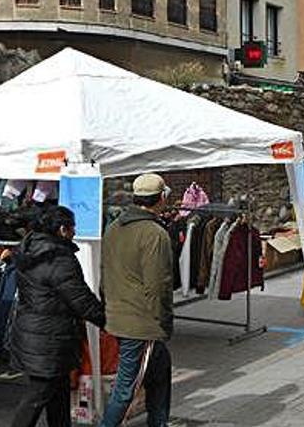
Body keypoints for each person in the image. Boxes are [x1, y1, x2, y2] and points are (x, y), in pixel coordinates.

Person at [10, 206, 106, 427]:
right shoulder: (58, 258)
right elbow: (80, 299)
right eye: (73, 228)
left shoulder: (31, 248)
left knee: (58, 394)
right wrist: (106, 321)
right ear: (63, 229)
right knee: (39, 394)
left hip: (38, 331)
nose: (74, 232)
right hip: (49, 337)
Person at [101, 174, 175, 427]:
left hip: (120, 315)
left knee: (160, 372)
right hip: (141, 323)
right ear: (161, 198)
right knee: (126, 389)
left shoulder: (114, 228)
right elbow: (158, 287)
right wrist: (163, 323)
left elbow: (105, 273)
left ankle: (159, 422)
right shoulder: (154, 233)